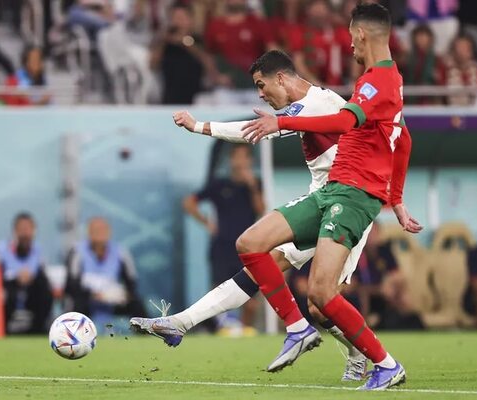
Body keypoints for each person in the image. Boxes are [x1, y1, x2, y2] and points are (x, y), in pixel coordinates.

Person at [131, 49, 373, 382]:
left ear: (281, 78)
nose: (260, 93)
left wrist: (198, 125)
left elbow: (253, 130)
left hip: (347, 208)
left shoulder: (317, 105)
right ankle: (182, 323)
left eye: (261, 85)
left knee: (320, 304)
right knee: (262, 262)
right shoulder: (309, 105)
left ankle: (368, 356)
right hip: (322, 202)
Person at [239, 3, 421, 390]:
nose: (348, 45)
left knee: (321, 292)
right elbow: (403, 139)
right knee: (250, 244)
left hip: (355, 194)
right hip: (333, 188)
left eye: (350, 37)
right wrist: (399, 201)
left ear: (360, 35)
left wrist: (281, 120)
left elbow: (344, 121)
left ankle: (386, 364)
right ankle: (297, 330)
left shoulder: (379, 82)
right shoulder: (380, 79)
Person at [182, 144, 264, 334]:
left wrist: (251, 186)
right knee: (218, 291)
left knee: (250, 298)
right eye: (237, 157)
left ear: (250, 161)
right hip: (222, 246)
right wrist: (206, 222)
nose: (241, 161)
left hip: (248, 247)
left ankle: (245, 331)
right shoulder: (219, 185)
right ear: (231, 160)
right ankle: (220, 330)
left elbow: (261, 210)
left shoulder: (255, 184)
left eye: (245, 157)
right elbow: (189, 202)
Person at [64, 217, 146, 327]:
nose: (100, 233)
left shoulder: (120, 251)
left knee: (136, 303)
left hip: (112, 298)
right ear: (89, 232)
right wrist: (94, 295)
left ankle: (145, 333)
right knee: (78, 304)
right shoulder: (77, 251)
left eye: (103, 229)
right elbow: (71, 284)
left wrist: (121, 294)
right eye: (96, 229)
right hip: (87, 299)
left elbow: (131, 281)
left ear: (109, 232)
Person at [345, 222, 423, 330]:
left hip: (383, 291)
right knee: (361, 294)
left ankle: (409, 321)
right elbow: (351, 281)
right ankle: (363, 328)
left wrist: (389, 281)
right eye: (370, 233)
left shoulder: (384, 250)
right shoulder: (356, 251)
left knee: (400, 290)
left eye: (375, 233)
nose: (372, 236)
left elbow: (396, 273)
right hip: (362, 291)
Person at [0, 212, 53, 334]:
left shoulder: (38, 251)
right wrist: (16, 278)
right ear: (14, 232)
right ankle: (3, 329)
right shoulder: (0, 251)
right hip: (8, 294)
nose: (24, 234)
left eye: (28, 229)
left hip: (31, 294)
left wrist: (31, 277)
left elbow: (44, 277)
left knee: (43, 288)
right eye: (21, 229)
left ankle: (38, 329)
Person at [204, 0, 276, 92]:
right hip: (226, 86)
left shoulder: (258, 23)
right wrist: (216, 76)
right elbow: (208, 56)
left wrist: (266, 75)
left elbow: (273, 51)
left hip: (253, 86)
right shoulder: (215, 25)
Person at [288, 0, 352, 87]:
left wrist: (354, 79)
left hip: (339, 86)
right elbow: (298, 62)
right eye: (315, 6)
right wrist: (314, 83)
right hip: (310, 86)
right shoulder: (299, 31)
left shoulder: (339, 31)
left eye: (322, 6)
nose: (319, 10)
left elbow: (353, 56)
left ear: (328, 10)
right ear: (307, 10)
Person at [444, 33, 477, 106]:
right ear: (453, 51)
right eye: (459, 48)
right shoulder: (444, 71)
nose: (461, 52)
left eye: (465, 48)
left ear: (471, 51)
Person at [402, 24, 445, 104]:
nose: (421, 39)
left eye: (424, 36)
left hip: (430, 101)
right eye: (419, 36)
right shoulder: (407, 59)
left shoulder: (436, 60)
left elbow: (441, 81)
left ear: (430, 39)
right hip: (409, 100)